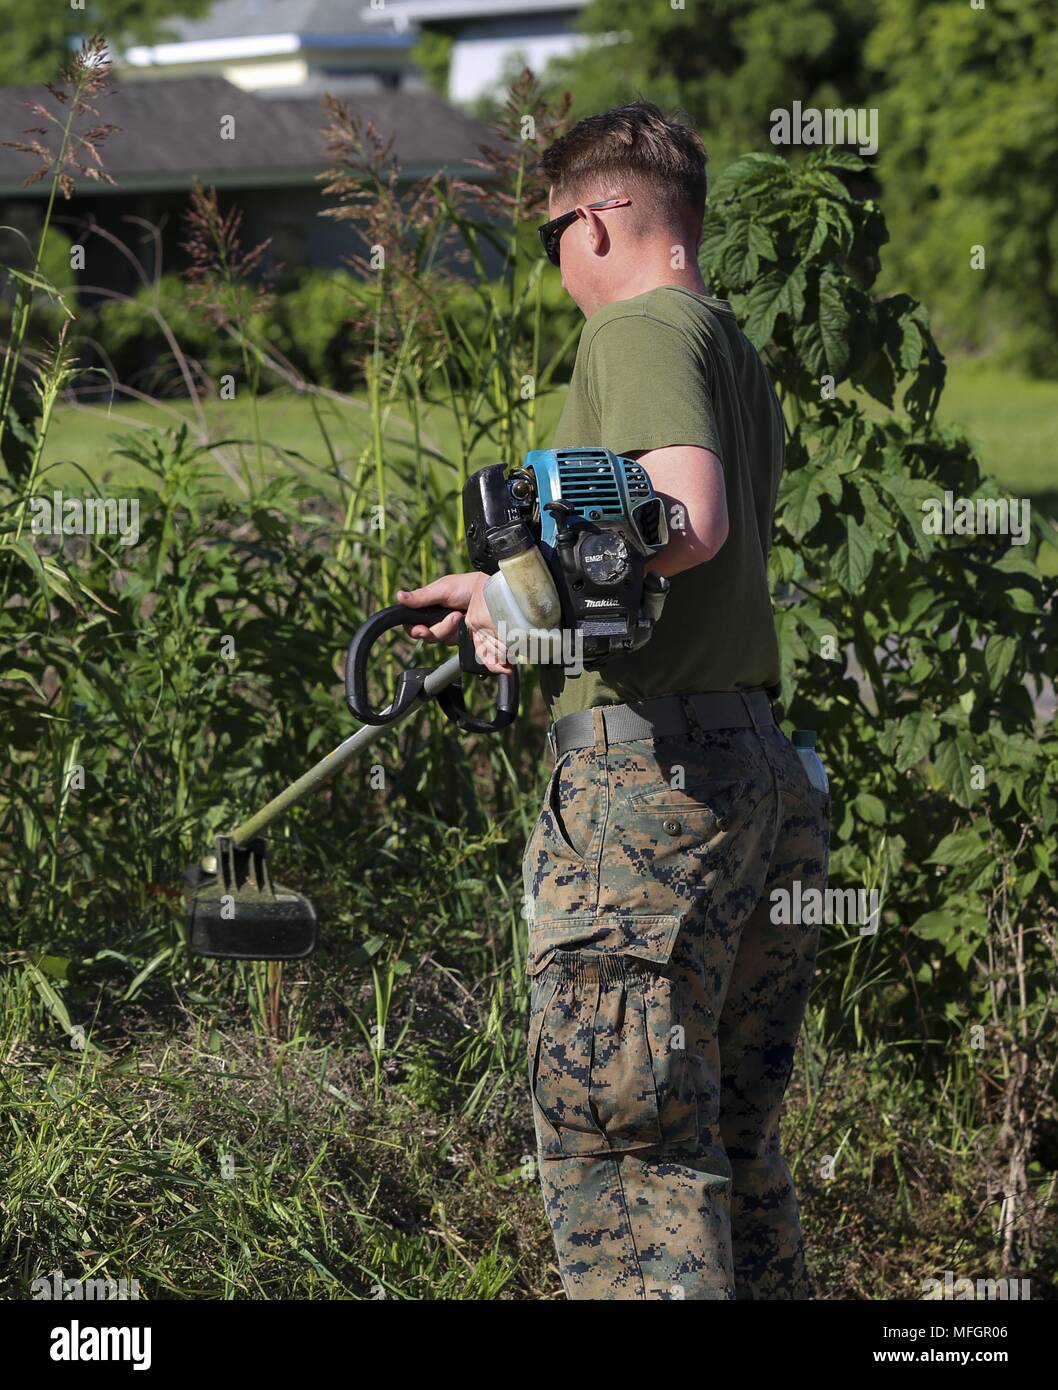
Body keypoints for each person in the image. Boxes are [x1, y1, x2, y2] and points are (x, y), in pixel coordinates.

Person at [397, 100, 829, 1301]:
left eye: (550, 240)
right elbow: (656, 561)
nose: (554, 267)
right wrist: (502, 598)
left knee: (624, 1154)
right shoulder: (722, 342)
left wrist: (517, 593)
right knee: (725, 1142)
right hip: (750, 769)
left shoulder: (634, 330)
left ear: (595, 220)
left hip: (648, 788)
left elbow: (683, 516)